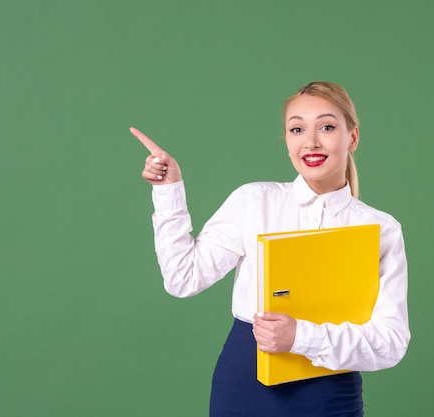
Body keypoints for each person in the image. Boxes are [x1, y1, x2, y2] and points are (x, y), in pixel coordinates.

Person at [130, 81, 410, 417]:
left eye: (327, 126)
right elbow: (183, 279)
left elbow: (391, 343)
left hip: (329, 393)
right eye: (297, 129)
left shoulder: (381, 230)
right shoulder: (254, 201)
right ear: (288, 141)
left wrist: (300, 338)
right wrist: (168, 191)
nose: (311, 142)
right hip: (244, 382)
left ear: (352, 137)